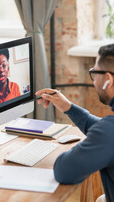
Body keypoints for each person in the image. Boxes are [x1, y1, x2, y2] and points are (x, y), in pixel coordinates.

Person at [36, 43, 114, 202]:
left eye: (95, 73)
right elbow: (105, 132)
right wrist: (68, 107)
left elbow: (64, 171)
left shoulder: (109, 133)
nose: (94, 81)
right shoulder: (108, 131)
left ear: (108, 79)